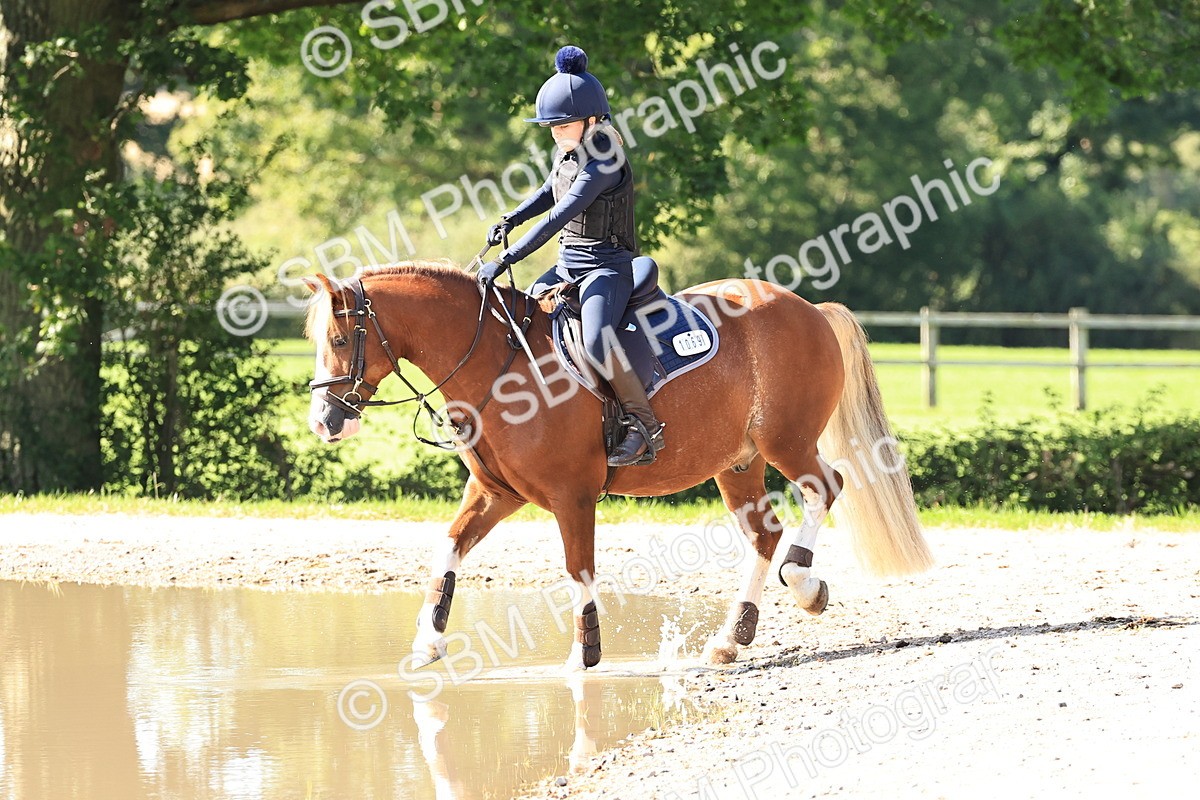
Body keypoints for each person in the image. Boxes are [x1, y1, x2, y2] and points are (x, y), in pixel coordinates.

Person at [477, 45, 664, 467]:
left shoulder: (605, 158)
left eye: (564, 124)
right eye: (552, 126)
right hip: (568, 265)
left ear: (593, 120)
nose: (556, 132)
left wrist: (506, 260)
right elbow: (548, 195)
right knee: (520, 318)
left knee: (597, 341)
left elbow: (560, 215)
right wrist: (510, 219)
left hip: (606, 268)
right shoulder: (568, 151)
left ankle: (643, 422)